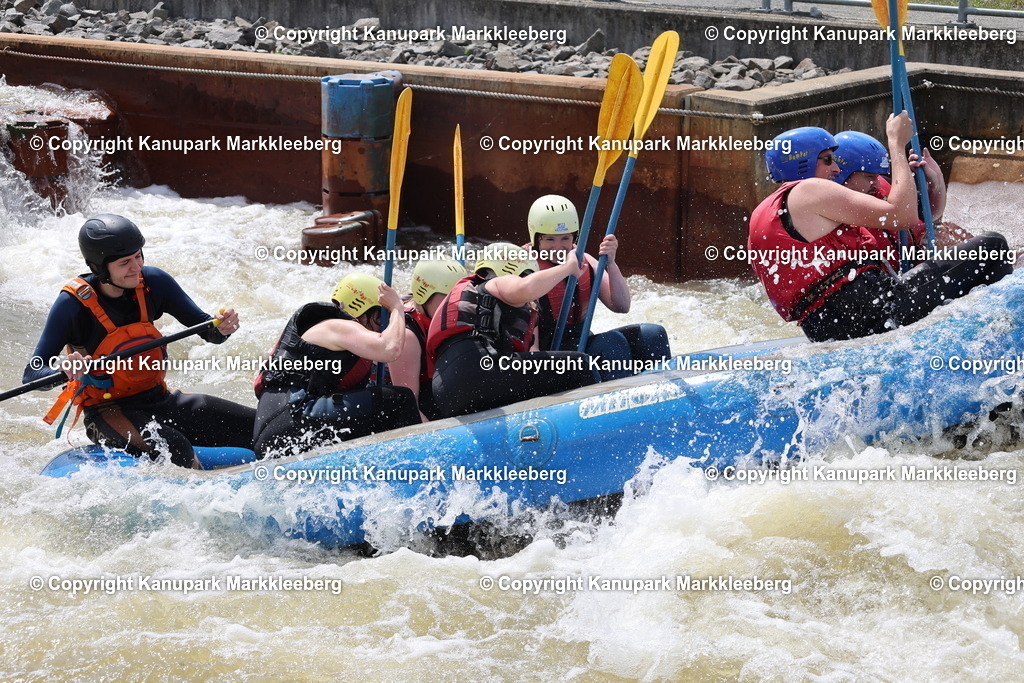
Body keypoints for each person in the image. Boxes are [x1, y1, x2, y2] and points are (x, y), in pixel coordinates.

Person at [750, 115, 1013, 343]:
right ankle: (1002, 335)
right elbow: (902, 216)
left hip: (827, 323)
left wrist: (931, 185)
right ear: (803, 162)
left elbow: (916, 224)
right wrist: (896, 143)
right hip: (871, 309)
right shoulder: (809, 190)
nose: (836, 168)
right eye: (828, 160)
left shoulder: (768, 212)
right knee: (993, 246)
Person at [24, 214, 255, 469]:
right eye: (125, 262)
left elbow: (207, 331)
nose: (136, 267)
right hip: (108, 412)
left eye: (138, 256)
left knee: (260, 426)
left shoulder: (154, 282)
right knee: (174, 448)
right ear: (100, 267)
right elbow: (32, 372)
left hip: (160, 400)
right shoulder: (72, 305)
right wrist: (64, 370)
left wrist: (222, 327)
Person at [253, 272, 420, 458]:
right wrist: (396, 307)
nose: (383, 325)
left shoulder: (336, 334)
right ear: (361, 309)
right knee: (399, 400)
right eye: (380, 317)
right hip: (289, 423)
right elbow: (390, 349)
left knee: (375, 400)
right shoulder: (336, 326)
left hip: (282, 429)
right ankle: (413, 463)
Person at [427, 243, 598, 418]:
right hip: (481, 369)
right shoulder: (496, 283)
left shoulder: (479, 296)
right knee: (579, 365)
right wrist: (567, 267)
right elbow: (526, 288)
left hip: (447, 392)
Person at [524, 194, 670, 379]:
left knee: (652, 335)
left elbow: (621, 306)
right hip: (548, 355)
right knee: (611, 343)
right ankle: (622, 402)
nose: (559, 247)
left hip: (579, 342)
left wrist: (611, 263)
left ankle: (663, 398)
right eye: (550, 239)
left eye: (565, 238)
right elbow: (530, 345)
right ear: (535, 237)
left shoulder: (585, 261)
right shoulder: (524, 268)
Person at [389, 257, 466, 421]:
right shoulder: (408, 337)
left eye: (459, 297)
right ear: (424, 294)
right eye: (448, 299)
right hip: (417, 403)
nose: (455, 305)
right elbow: (409, 407)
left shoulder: (455, 316)